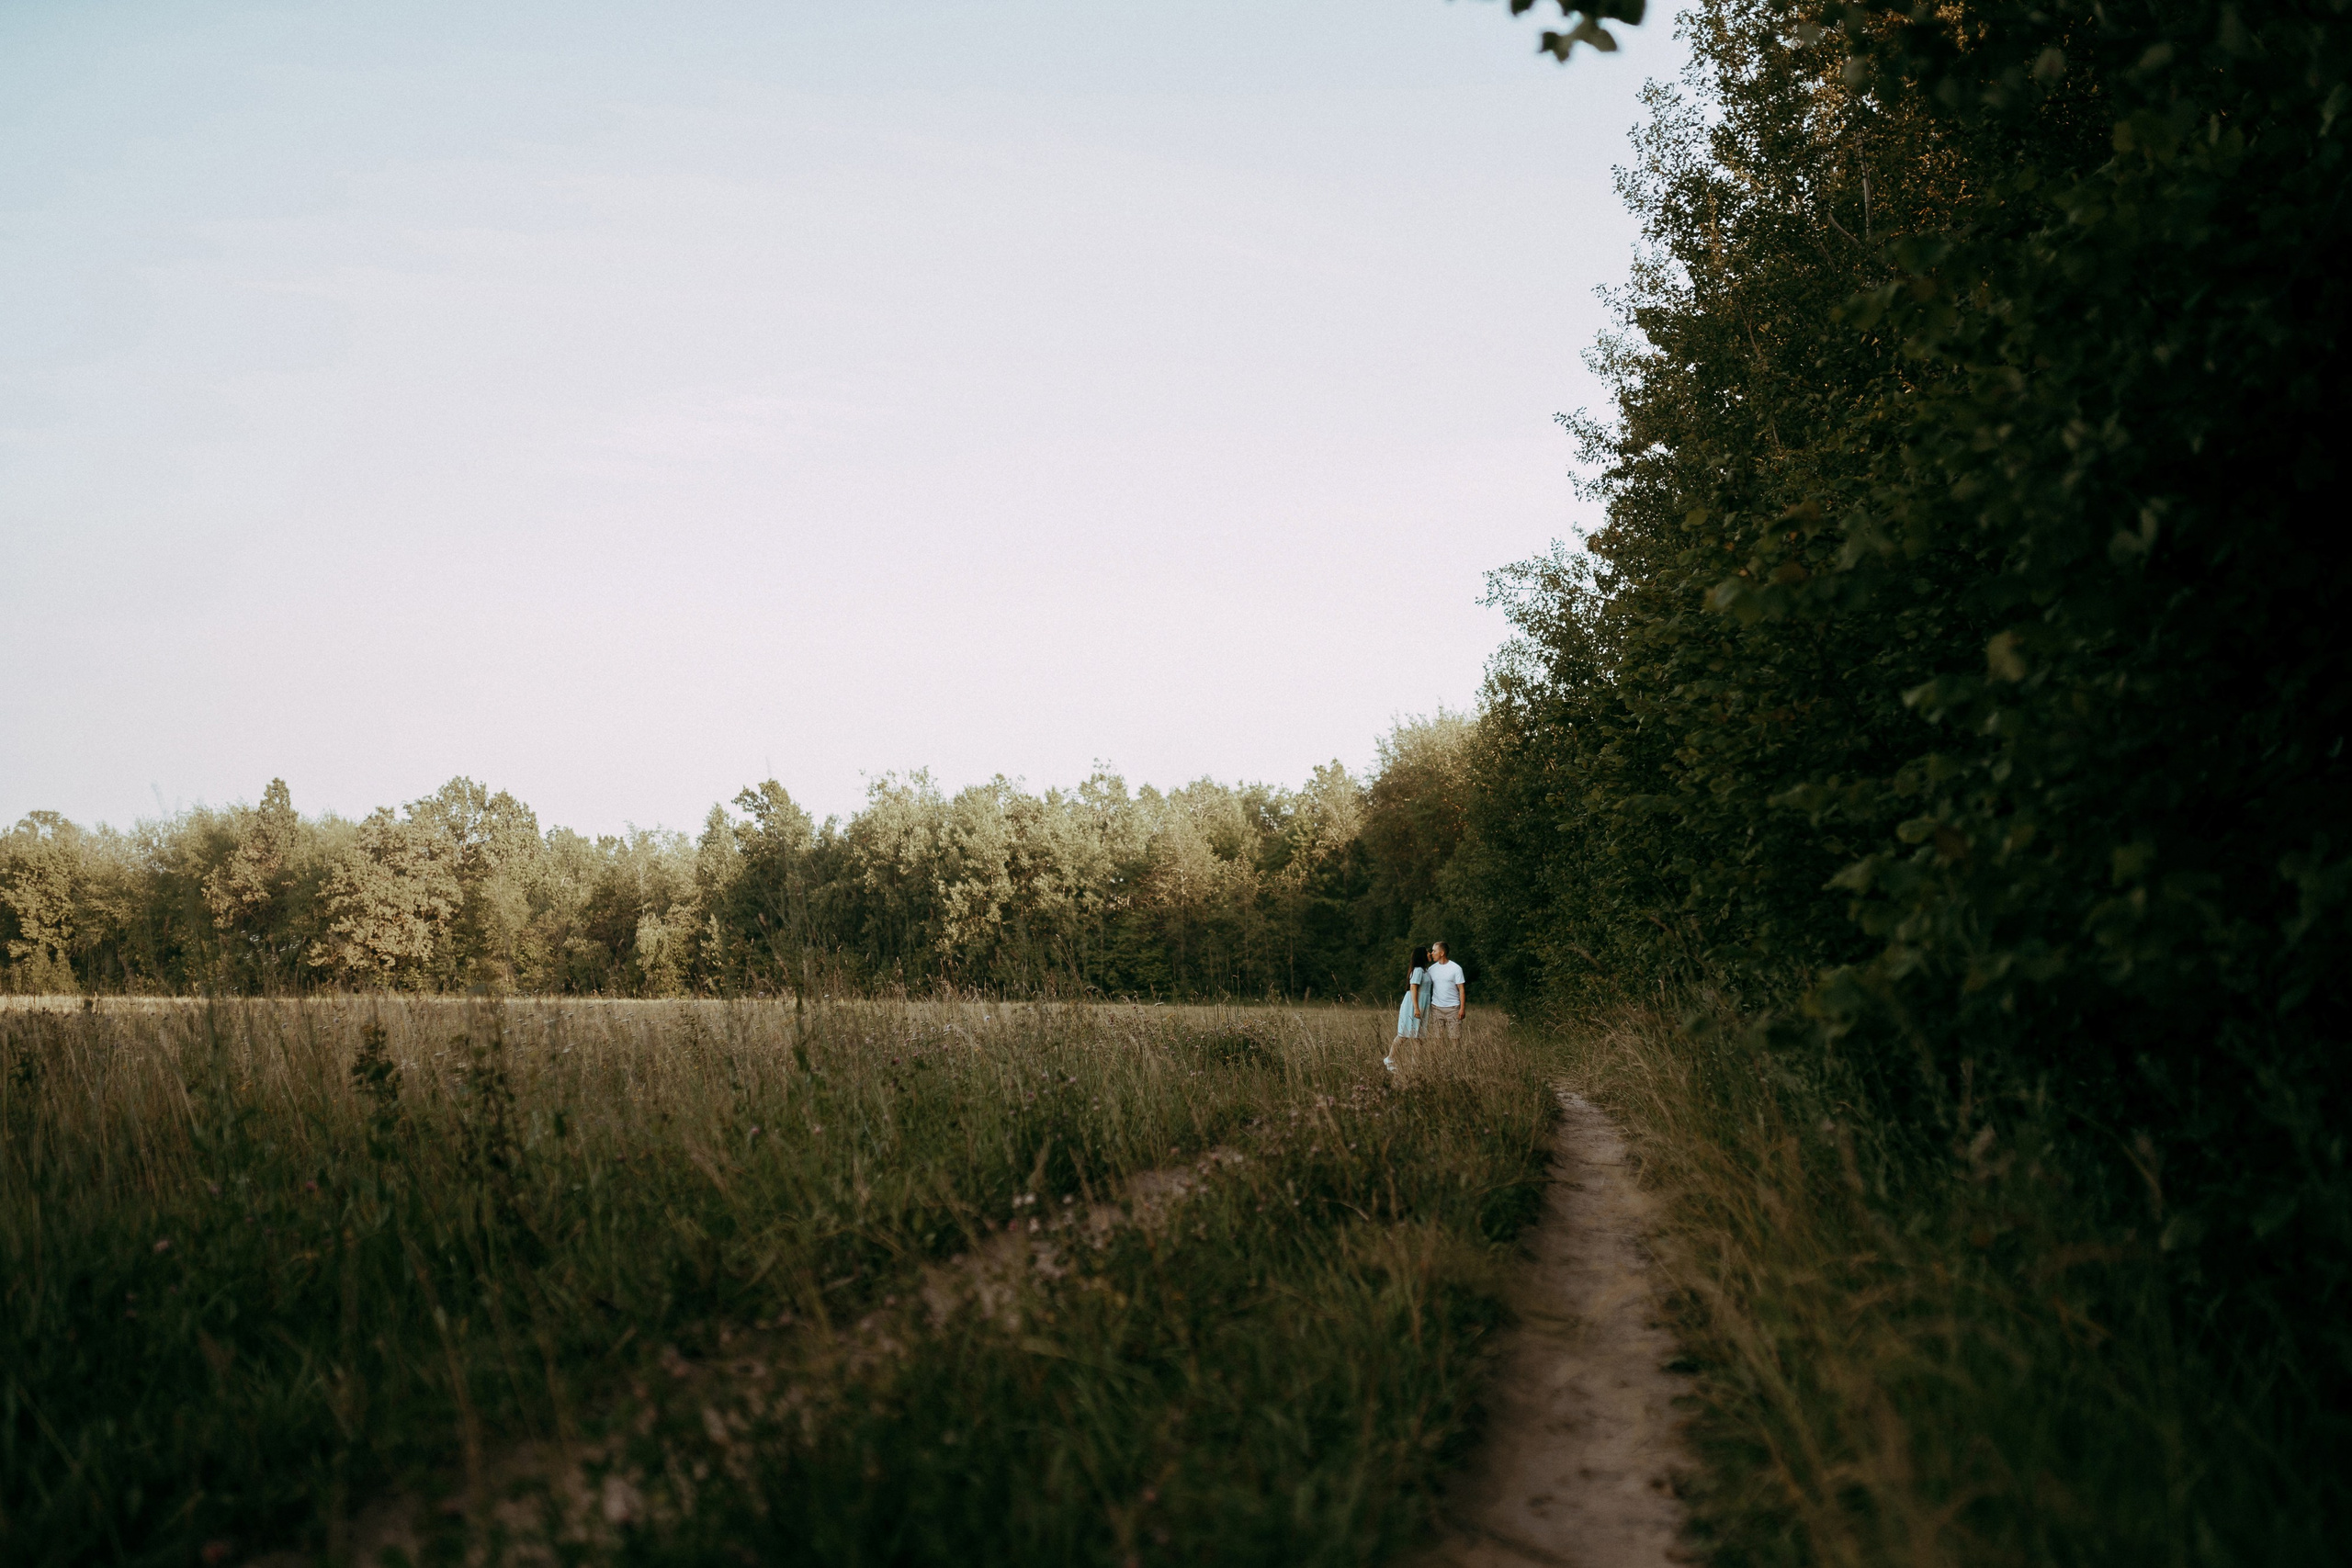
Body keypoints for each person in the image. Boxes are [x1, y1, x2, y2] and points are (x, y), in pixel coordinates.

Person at [1385, 945, 1430, 1073]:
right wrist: (1416, 1008)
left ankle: (1415, 1066)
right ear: (1422, 955)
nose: (1430, 954)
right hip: (1413, 1005)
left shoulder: (1426, 971)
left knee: (1418, 1037)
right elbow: (1413, 988)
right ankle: (1389, 1059)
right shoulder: (1418, 971)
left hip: (1422, 1004)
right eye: (1427, 952)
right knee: (1404, 1034)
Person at [1425, 942, 1467, 1040]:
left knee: (1455, 1039)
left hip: (1453, 1008)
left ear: (1442, 953)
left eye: (1434, 951)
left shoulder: (1456, 968)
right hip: (1436, 1008)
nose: (1432, 953)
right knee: (1438, 1040)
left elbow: (1461, 989)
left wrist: (1462, 1008)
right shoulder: (1431, 969)